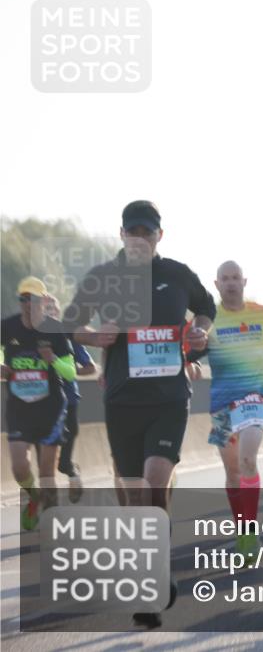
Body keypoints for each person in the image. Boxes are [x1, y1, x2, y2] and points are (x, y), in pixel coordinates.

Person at [64, 200, 215, 628]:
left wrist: (200, 328)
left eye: (147, 233)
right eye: (133, 232)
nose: (139, 240)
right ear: (122, 235)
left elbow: (207, 308)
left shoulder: (178, 275)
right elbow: (72, 324)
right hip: (122, 401)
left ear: (158, 237)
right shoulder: (103, 277)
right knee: (133, 498)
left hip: (169, 397)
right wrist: (95, 336)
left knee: (153, 480)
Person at [188, 261, 263, 557]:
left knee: (248, 459)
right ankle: (242, 530)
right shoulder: (206, 320)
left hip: (254, 397)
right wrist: (193, 361)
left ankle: (250, 535)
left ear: (244, 281)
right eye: (225, 279)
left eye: (236, 277)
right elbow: (189, 349)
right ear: (216, 284)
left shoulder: (261, 312)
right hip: (222, 403)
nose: (231, 283)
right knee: (233, 471)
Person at [2, 277, 76, 530]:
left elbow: (71, 373)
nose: (27, 304)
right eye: (23, 298)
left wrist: (53, 358)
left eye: (32, 299)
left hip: (50, 409)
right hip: (19, 408)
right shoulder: (7, 326)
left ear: (43, 302)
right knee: (19, 468)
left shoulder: (54, 329)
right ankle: (33, 497)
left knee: (47, 474)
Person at [41, 295, 97, 504]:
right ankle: (47, 503)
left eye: (52, 310)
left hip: (69, 400)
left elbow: (90, 367)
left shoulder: (67, 335)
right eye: (45, 310)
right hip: (42, 403)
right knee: (43, 460)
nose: (49, 313)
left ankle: (73, 473)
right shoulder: (32, 336)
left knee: (62, 462)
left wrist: (70, 372)